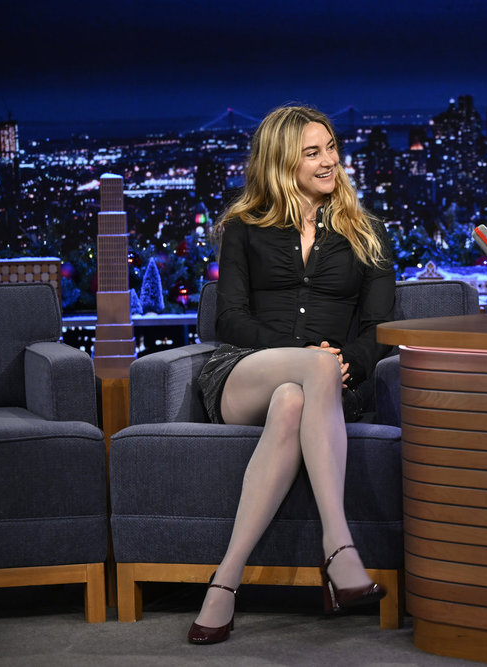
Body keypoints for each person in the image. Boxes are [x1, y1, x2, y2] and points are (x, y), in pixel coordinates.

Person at [187, 105, 395, 644]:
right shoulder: (244, 227)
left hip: (330, 384)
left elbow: (379, 329)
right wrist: (305, 355)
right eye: (313, 153)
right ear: (283, 162)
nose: (330, 161)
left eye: (331, 148)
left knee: (293, 399)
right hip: (243, 373)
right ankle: (339, 550)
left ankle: (224, 582)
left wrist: (347, 363)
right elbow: (230, 318)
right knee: (304, 371)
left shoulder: (368, 232)